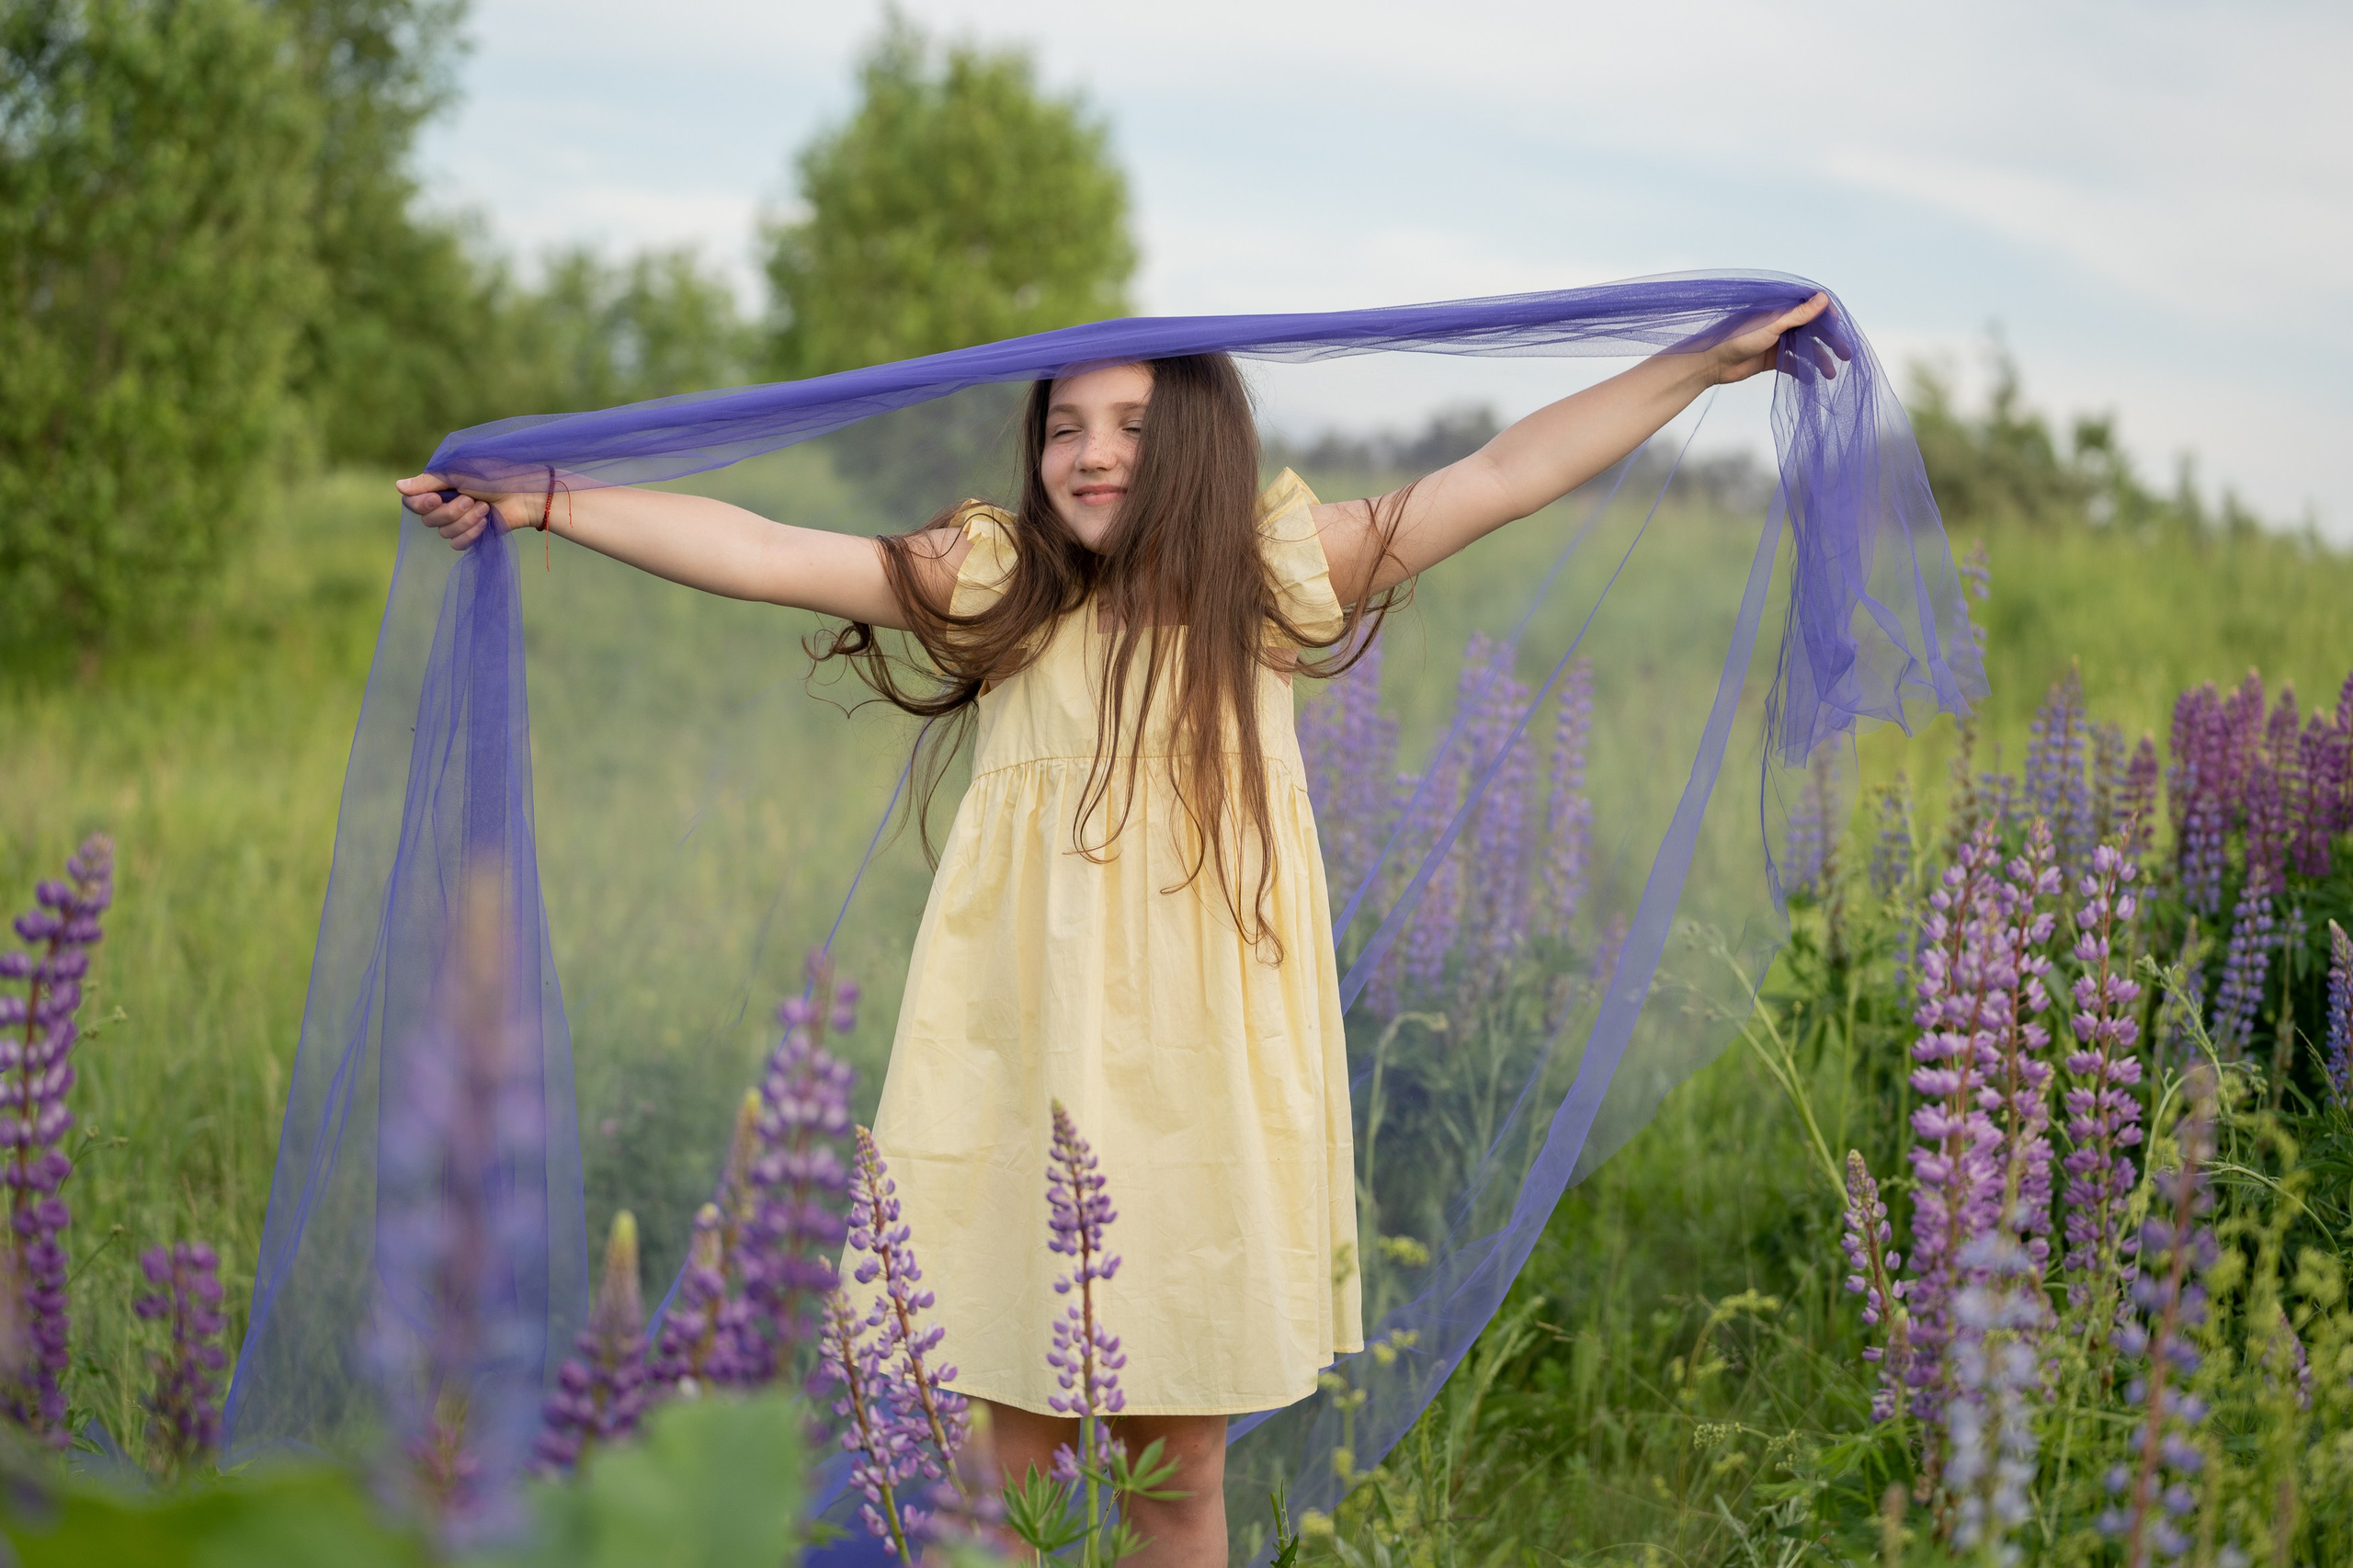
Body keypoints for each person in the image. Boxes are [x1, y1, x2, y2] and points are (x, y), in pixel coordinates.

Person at [398, 291, 1826, 1566]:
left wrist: (1696, 364)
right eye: (1064, 425)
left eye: (1131, 423)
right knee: (1004, 1457)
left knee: (1177, 1465)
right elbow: (769, 549)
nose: (1090, 451)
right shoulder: (1001, 587)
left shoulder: (1266, 585)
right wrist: (549, 501)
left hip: (1205, 1076)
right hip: (1024, 1062)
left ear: (1199, 438)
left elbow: (1504, 473)